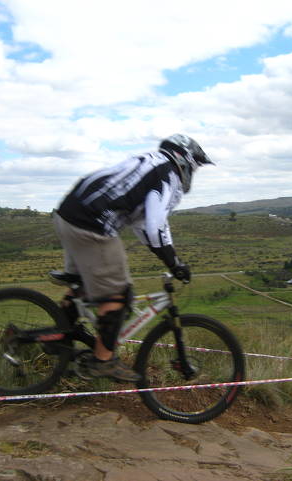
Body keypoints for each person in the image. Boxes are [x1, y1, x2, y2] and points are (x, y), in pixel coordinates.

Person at [52, 134, 213, 382]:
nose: (194, 172)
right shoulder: (167, 174)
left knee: (81, 284)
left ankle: (56, 338)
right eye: (195, 167)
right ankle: (103, 361)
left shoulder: (149, 162)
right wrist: (174, 263)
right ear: (184, 159)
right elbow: (155, 226)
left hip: (67, 215)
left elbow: (142, 224)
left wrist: (170, 257)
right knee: (118, 294)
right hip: (93, 224)